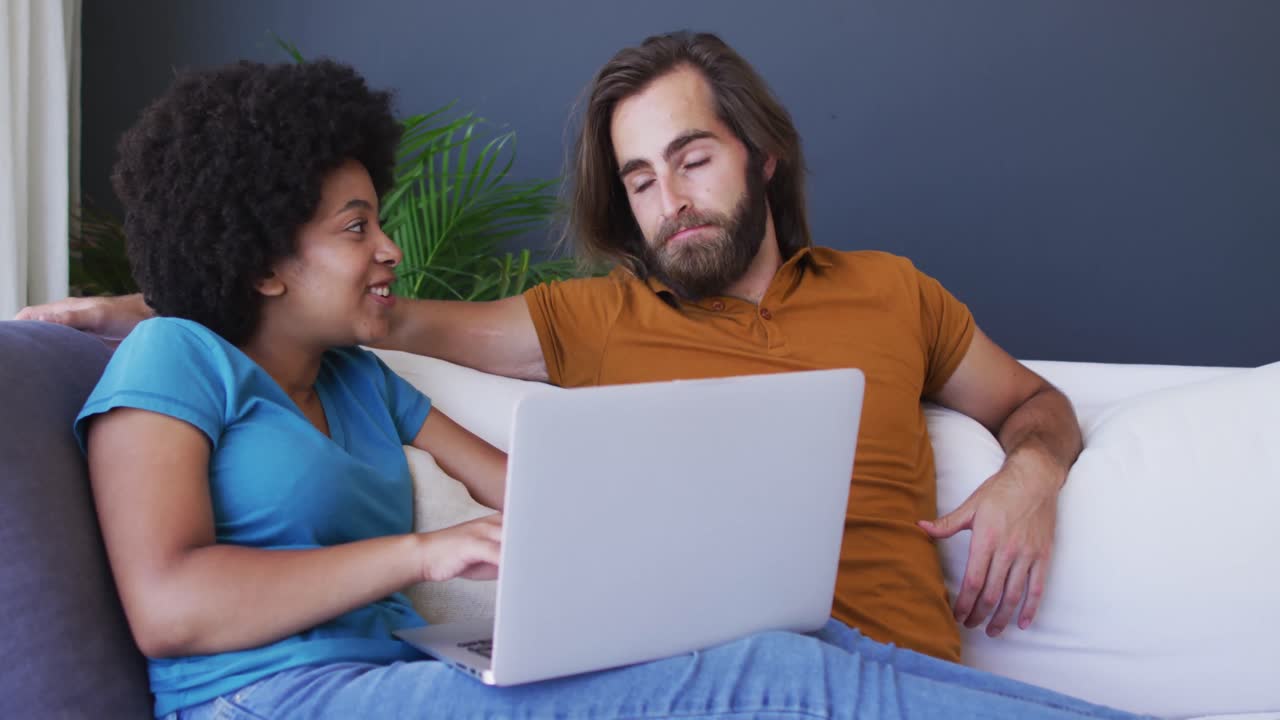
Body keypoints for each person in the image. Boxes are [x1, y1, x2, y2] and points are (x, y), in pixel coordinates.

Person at [24, 38, 1143, 720]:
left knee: (796, 655)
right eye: (639, 178)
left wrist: (1025, 475)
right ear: (259, 254)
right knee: (766, 673)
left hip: (397, 675)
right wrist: (165, 296)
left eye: (691, 159)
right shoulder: (180, 356)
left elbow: (529, 482)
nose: (389, 249)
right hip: (273, 701)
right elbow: (168, 608)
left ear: (759, 155)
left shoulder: (358, 375)